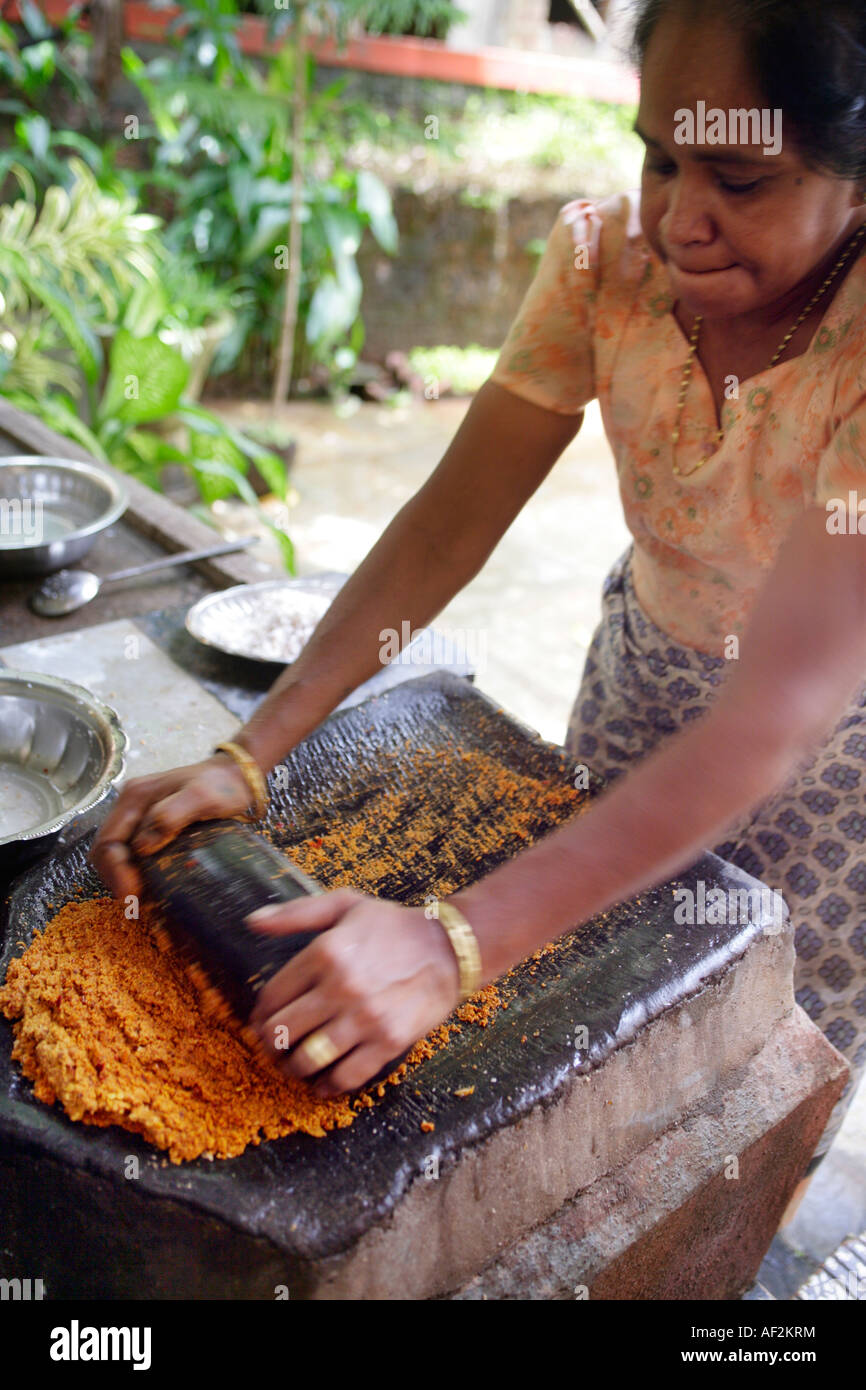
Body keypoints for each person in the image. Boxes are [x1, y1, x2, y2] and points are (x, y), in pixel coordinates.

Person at [94, 0, 866, 1165]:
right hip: (640, 690)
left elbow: (773, 716)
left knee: (748, 1084)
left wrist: (445, 944)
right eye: (657, 156)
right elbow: (445, 527)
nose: (677, 219)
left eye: (739, 179)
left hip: (831, 774)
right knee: (591, 1039)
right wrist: (249, 752)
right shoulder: (606, 264)